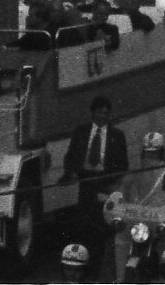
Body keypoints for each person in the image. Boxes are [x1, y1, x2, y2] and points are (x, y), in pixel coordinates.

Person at [64, 96, 128, 277]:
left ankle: (98, 271)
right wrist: (73, 172)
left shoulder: (117, 136)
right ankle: (81, 270)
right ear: (93, 113)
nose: (103, 116)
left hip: (105, 183)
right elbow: (70, 157)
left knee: (101, 228)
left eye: (106, 113)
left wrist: (112, 185)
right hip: (85, 182)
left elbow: (123, 165)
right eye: (99, 112)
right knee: (83, 226)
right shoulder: (81, 132)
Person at [107, 132, 165, 284]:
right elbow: (122, 190)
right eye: (148, 153)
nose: (151, 157)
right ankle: (120, 279)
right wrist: (115, 202)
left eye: (154, 153)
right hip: (137, 221)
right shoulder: (136, 171)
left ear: (161, 153)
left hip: (158, 222)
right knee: (120, 237)